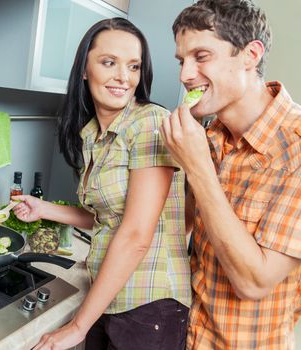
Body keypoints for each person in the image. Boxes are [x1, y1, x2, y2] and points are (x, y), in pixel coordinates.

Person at [12, 17, 191, 350]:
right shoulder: (94, 134)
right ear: (84, 69)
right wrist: (43, 209)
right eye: (109, 63)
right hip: (107, 295)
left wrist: (78, 327)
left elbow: (137, 234)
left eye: (133, 66)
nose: (123, 77)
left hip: (150, 306)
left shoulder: (149, 122)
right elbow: (108, 218)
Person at [160, 1, 301, 349]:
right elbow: (185, 227)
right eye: (182, 61)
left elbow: (254, 283)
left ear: (250, 54)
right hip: (187, 335)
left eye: (201, 56)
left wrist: (196, 167)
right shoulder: (211, 136)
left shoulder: (296, 148)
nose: (184, 75)